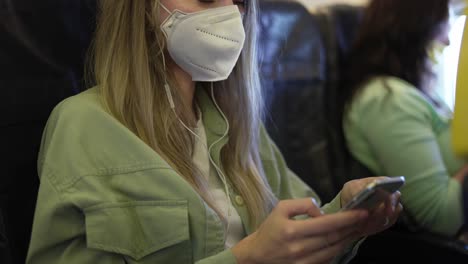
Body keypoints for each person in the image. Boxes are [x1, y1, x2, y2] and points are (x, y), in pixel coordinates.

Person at [27, 0, 401, 263]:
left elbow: (298, 231)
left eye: (238, 0)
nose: (229, 15)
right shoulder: (83, 126)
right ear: (141, 9)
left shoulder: (238, 125)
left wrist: (344, 218)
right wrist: (247, 260)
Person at [340, 0, 467, 238]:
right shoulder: (386, 99)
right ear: (415, 28)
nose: (448, 40)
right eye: (443, 25)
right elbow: (440, 216)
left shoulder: (417, 92)